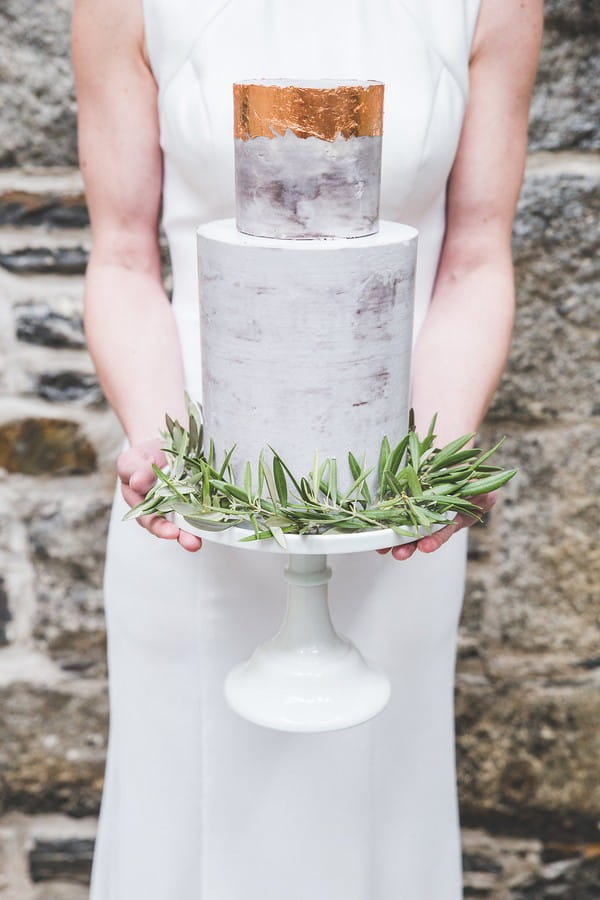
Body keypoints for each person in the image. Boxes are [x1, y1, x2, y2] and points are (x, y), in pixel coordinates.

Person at [72, 0, 542, 897]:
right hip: (194, 493)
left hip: (392, 505)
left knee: (371, 828)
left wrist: (432, 466)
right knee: (186, 828)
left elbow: (477, 256)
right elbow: (123, 254)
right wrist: (159, 443)